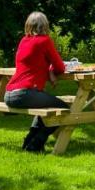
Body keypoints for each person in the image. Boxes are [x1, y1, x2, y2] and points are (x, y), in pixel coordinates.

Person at [4, 11, 70, 152]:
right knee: (64, 109)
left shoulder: (24, 41)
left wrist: (49, 70)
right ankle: (36, 143)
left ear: (29, 25)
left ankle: (29, 140)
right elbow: (60, 67)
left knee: (45, 108)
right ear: (45, 25)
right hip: (25, 93)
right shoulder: (44, 41)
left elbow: (34, 62)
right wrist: (52, 70)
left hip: (9, 94)